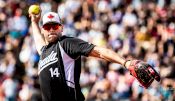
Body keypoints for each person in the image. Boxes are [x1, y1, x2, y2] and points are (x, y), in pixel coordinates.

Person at [29, 10, 160, 101]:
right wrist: (34, 22)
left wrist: (125, 63)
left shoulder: (66, 43)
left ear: (61, 28)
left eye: (55, 26)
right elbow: (38, 42)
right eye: (47, 27)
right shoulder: (44, 52)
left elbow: (99, 52)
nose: (51, 29)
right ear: (42, 30)